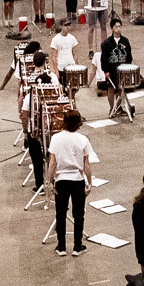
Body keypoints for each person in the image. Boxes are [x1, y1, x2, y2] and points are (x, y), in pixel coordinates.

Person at [47, 110, 95, 256]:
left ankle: (61, 247)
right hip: (77, 180)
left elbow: (52, 162)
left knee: (60, 214)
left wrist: (49, 181)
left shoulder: (56, 138)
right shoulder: (83, 139)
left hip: (61, 180)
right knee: (79, 214)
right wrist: (89, 182)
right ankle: (77, 246)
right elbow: (86, 164)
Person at [99, 21, 133, 103]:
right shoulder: (106, 43)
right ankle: (112, 108)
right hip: (112, 69)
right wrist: (105, 71)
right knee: (111, 88)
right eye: (116, 27)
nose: (119, 29)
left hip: (122, 69)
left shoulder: (125, 41)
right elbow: (103, 58)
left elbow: (129, 56)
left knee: (121, 88)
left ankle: (119, 108)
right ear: (112, 29)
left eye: (120, 27)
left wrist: (128, 67)